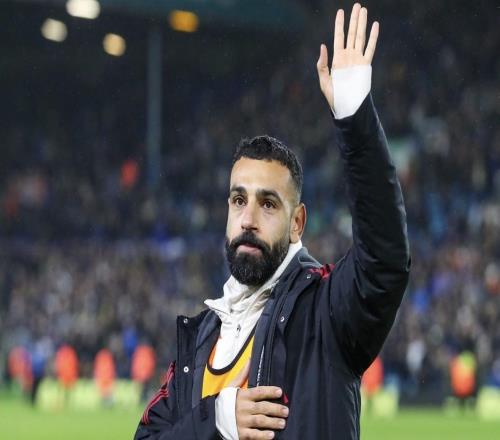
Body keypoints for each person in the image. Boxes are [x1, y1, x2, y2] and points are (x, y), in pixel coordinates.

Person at [134, 3, 410, 439]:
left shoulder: (327, 313)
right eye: (238, 200)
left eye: (268, 204)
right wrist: (218, 418)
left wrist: (355, 120)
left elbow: (385, 261)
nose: (247, 218)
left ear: (297, 222)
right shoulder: (201, 339)